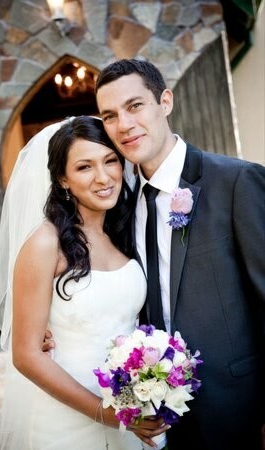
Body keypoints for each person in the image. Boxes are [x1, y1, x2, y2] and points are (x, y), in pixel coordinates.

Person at [44, 60, 265, 450]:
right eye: (110, 115)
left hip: (237, 409)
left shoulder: (235, 182)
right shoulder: (120, 206)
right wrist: (52, 327)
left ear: (165, 101)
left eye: (135, 106)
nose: (124, 125)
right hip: (157, 419)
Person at [0, 116, 168, 450]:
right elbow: (26, 355)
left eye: (110, 161)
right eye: (85, 167)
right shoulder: (46, 242)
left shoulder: (125, 231)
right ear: (63, 179)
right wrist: (108, 414)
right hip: (68, 419)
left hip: (133, 409)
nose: (103, 177)